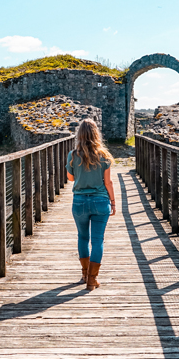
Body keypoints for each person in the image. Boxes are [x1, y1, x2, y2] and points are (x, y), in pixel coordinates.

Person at [66, 118, 115, 291]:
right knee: (97, 240)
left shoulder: (73, 155)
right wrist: (113, 202)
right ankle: (92, 281)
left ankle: (85, 273)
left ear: (79, 135)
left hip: (79, 201)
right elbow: (108, 182)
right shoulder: (104, 156)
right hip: (101, 201)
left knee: (82, 237)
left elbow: (70, 178)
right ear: (96, 134)